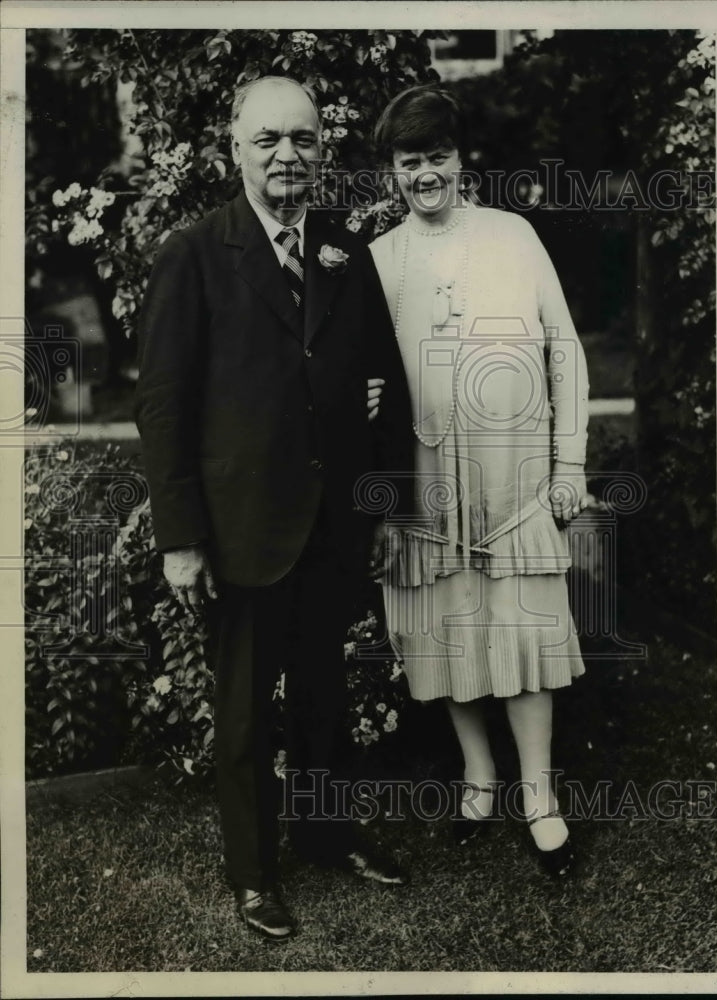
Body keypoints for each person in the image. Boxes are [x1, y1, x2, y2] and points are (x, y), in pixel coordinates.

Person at [135, 76, 414, 940]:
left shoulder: (341, 248)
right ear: (235, 150)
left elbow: (386, 386)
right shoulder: (194, 251)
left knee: (327, 697)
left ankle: (331, 840)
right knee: (249, 714)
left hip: (334, 529)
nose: (287, 155)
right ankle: (255, 877)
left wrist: (386, 508)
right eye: (268, 141)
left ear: (322, 152)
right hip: (242, 532)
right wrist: (180, 541)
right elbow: (163, 406)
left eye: (302, 139)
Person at [369, 86, 590, 877]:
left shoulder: (513, 236)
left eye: (435, 158)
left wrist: (570, 465)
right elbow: (363, 375)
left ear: (460, 161)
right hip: (427, 486)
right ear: (391, 173)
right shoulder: (380, 259)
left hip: (515, 476)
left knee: (523, 628)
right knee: (451, 627)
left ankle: (539, 794)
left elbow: (563, 349)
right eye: (407, 162)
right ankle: (478, 777)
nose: (423, 175)